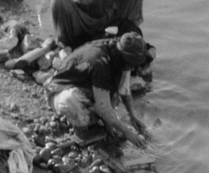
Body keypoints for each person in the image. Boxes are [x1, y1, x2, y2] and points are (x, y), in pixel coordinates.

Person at [44, 19, 151, 147]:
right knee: (75, 106)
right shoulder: (100, 63)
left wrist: (132, 116)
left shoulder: (117, 50)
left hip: (83, 86)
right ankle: (81, 125)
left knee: (110, 106)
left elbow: (124, 89)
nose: (133, 68)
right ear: (126, 58)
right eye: (132, 64)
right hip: (59, 90)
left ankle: (95, 118)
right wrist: (127, 132)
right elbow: (103, 107)